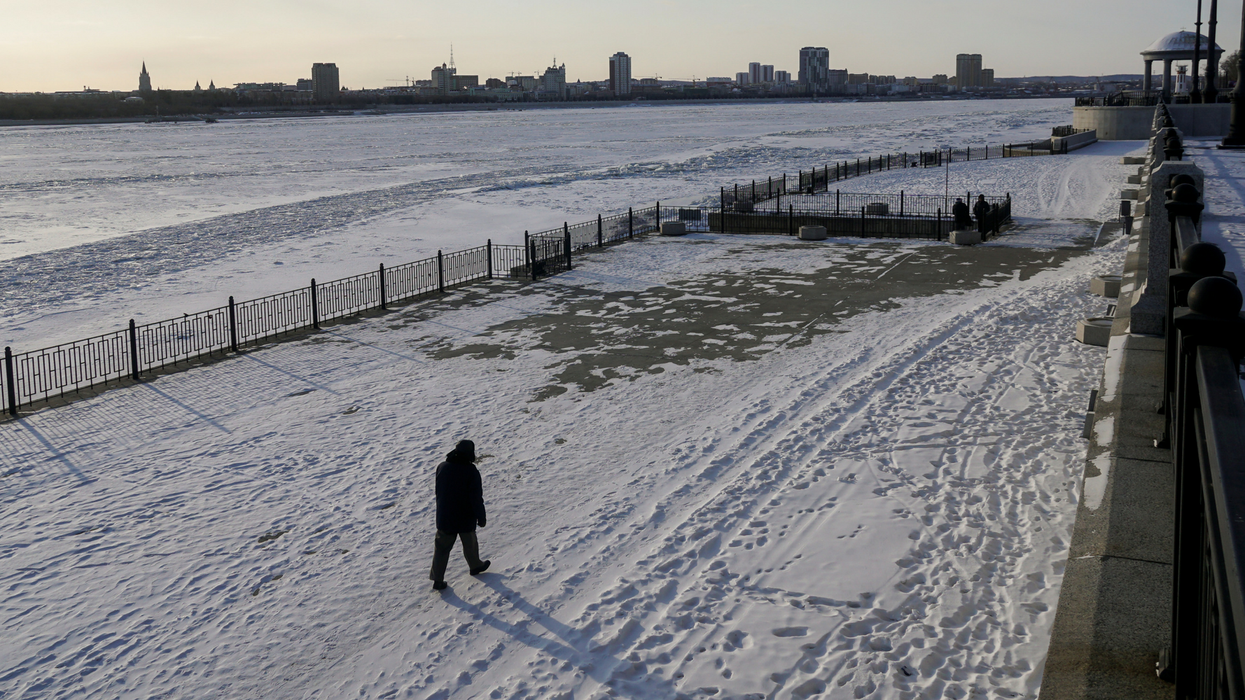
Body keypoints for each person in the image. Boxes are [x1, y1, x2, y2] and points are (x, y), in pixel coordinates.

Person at [430, 439, 490, 590]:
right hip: (465, 516)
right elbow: (476, 498)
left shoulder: (442, 467)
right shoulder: (471, 471)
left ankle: (438, 579)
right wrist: (481, 517)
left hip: (445, 516)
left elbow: (438, 491)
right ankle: (475, 565)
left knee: (441, 548)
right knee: (470, 543)